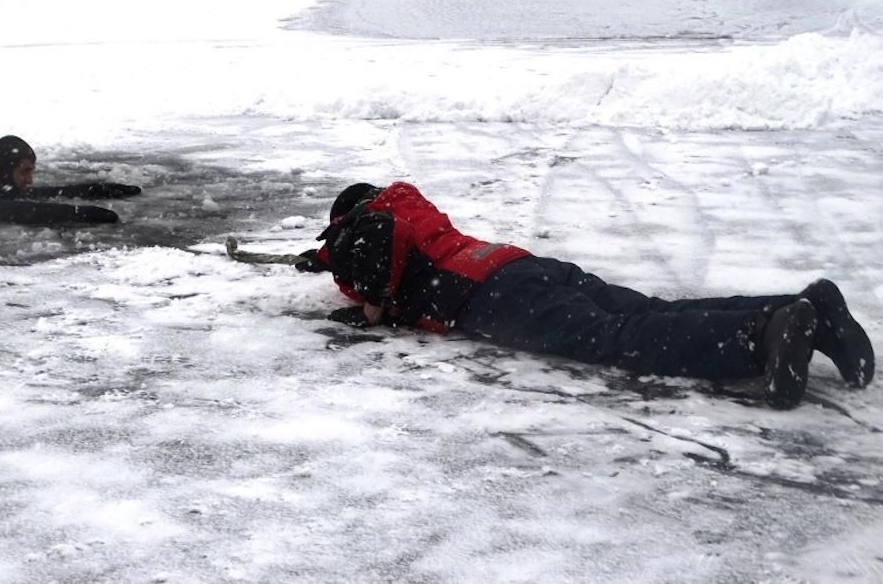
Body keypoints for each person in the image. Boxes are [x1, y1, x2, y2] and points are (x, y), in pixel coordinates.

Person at [298, 181, 875, 409]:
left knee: (615, 339)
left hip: (486, 298)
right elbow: (368, 249)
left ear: (345, 218)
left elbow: (371, 257)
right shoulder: (410, 212)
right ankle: (802, 309)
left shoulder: (367, 228)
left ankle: (761, 338)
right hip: (522, 265)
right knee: (648, 311)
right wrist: (317, 258)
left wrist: (373, 310)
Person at [0, 136, 141, 224]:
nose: (30, 180)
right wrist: (81, 213)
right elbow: (12, 211)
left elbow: (50, 193)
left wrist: (100, 189)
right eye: (25, 172)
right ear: (6, 169)